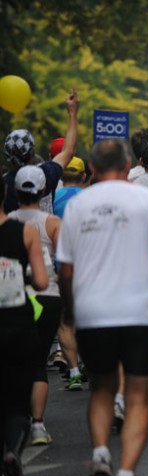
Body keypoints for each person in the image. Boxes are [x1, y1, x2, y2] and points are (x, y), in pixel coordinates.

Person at [57, 138, 148, 476]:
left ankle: (100, 455)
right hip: (139, 313)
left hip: (93, 311)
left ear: (92, 169)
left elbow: (66, 270)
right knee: (137, 396)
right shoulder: (147, 199)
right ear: (128, 164)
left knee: (101, 390)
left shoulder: (78, 205)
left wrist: (70, 307)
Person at [0, 174, 49, 476]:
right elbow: (42, 281)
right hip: (17, 326)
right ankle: (12, 453)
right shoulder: (25, 232)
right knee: (17, 403)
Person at [8, 167, 64, 446]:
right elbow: (64, 261)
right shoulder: (52, 222)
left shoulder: (8, 222)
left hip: (13, 297)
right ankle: (38, 425)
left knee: (14, 360)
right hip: (48, 295)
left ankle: (17, 417)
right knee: (38, 361)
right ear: (43, 191)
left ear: (14, 191)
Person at [3, 89, 79, 214]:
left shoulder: (4, 183)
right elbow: (68, 151)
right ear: (33, 152)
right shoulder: (46, 173)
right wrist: (72, 113)